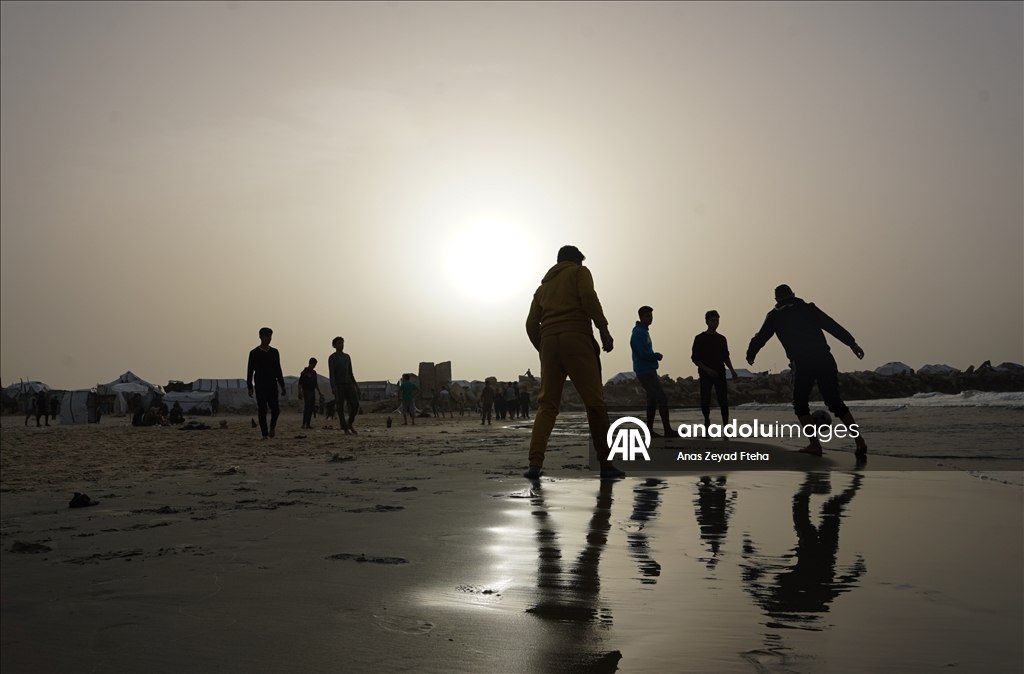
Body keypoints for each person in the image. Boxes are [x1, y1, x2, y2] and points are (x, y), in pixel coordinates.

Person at [524, 245, 624, 479]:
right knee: (594, 403)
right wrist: (604, 329)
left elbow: (530, 325)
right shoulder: (579, 272)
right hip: (577, 337)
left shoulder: (542, 288)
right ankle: (606, 465)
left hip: (548, 342)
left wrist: (544, 348)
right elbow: (589, 297)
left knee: (547, 406)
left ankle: (534, 464)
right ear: (576, 261)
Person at [746, 284, 868, 457]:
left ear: (776, 299)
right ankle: (859, 441)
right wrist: (852, 343)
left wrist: (751, 353)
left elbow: (762, 336)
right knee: (835, 402)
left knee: (800, 404)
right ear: (793, 294)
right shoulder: (808, 308)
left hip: (803, 362)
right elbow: (831, 325)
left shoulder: (775, 315)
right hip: (824, 357)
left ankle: (815, 445)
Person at [692, 310, 739, 429]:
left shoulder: (722, 339)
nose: (715, 323)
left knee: (723, 399)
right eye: (713, 320)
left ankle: (726, 424)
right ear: (707, 322)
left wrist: (732, 370)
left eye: (717, 320)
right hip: (705, 374)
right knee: (705, 399)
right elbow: (695, 358)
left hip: (720, 372)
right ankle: (707, 419)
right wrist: (707, 370)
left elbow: (726, 357)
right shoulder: (700, 338)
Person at [631, 306, 673, 437]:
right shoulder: (638, 333)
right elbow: (644, 354)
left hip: (648, 369)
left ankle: (650, 430)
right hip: (645, 370)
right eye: (647, 316)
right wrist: (657, 356)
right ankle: (667, 430)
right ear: (641, 317)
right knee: (661, 398)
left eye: (651, 316)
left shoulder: (643, 331)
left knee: (652, 400)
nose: (650, 318)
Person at [246, 327, 287, 439]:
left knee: (276, 409)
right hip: (260, 384)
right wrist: (249, 386)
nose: (269, 338)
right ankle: (264, 433)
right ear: (261, 337)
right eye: (266, 335)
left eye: (270, 336)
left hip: (272, 384)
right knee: (262, 409)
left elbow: (278, 369)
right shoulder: (254, 353)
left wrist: (282, 384)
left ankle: (272, 426)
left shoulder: (274, 352)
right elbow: (250, 370)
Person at [328, 337, 361, 434]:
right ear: (334, 345)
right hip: (339, 385)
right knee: (340, 407)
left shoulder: (347, 357)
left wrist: (356, 385)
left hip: (349, 383)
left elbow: (351, 372)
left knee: (356, 404)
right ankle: (345, 428)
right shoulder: (332, 357)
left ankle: (350, 422)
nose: (341, 345)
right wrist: (333, 386)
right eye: (339, 343)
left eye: (342, 343)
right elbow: (332, 373)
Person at [298, 358, 322, 429]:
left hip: (312, 391)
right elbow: (300, 383)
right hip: (306, 391)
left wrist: (319, 391)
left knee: (311, 407)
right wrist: (299, 393)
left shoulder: (314, 373)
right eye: (313, 365)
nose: (314, 366)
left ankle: (308, 423)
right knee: (307, 406)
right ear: (310, 363)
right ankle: (304, 423)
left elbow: (315, 383)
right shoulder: (304, 372)